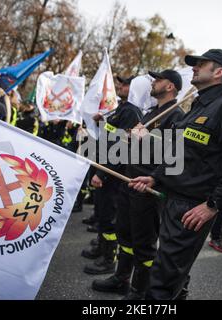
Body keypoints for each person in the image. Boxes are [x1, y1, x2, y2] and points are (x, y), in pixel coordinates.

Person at [130, 49, 222, 300]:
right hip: (170, 197)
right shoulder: (198, 105)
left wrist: (213, 205)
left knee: (162, 282)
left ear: (219, 72)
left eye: (202, 64)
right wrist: (156, 177)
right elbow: (179, 152)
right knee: (171, 272)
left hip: (191, 207)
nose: (195, 68)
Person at [92, 70, 185, 299]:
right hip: (129, 182)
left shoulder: (176, 115)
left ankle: (139, 290)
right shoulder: (151, 112)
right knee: (126, 235)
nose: (154, 82)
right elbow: (132, 145)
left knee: (144, 243)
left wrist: (147, 141)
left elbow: (175, 157)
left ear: (171, 86)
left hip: (147, 189)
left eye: (159, 79)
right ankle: (121, 278)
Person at [83, 75, 142, 275]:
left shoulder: (132, 112)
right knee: (101, 212)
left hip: (113, 176)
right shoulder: (120, 109)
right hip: (103, 168)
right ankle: (101, 248)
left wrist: (102, 173)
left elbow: (120, 147)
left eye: (125, 84)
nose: (120, 86)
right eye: (121, 83)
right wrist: (101, 123)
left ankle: (109, 259)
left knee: (109, 218)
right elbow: (109, 136)